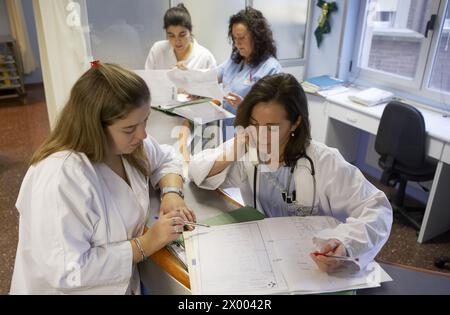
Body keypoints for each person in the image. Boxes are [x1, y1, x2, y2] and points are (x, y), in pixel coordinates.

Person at [10, 62, 196, 295]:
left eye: (145, 120)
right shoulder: (60, 178)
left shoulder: (129, 146)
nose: (143, 134)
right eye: (129, 129)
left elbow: (167, 158)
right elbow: (68, 271)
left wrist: (172, 193)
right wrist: (147, 244)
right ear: (93, 127)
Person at [189, 73, 393, 272]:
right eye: (254, 123)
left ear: (295, 123)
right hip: (264, 252)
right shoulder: (247, 149)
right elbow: (198, 170)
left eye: (271, 127)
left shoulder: (324, 161)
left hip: (311, 261)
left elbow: (377, 209)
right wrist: (233, 151)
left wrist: (345, 243)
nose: (259, 135)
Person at [219, 7, 282, 141]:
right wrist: (192, 78)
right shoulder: (235, 60)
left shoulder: (270, 68)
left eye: (241, 38)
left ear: (257, 38)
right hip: (229, 130)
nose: (237, 43)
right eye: (234, 38)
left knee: (249, 160)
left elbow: (271, 109)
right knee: (229, 160)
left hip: (252, 135)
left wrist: (244, 106)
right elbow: (215, 74)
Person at [145, 3, 216, 70]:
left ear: (190, 31)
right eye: (171, 35)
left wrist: (189, 77)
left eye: (182, 35)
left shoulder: (205, 57)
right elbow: (146, 80)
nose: (177, 41)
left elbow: (212, 82)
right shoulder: (157, 50)